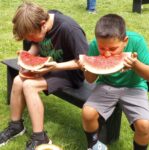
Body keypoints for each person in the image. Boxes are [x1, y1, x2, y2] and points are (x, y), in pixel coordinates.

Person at [0, 2, 88, 150]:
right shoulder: (43, 21)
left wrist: (56, 66)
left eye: (31, 36)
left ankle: (40, 137)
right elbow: (37, 44)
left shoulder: (70, 29)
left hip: (71, 73)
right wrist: (29, 56)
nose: (30, 39)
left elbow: (84, 61)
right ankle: (16, 126)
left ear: (42, 24)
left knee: (29, 85)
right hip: (50, 67)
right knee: (17, 80)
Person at [81, 14, 149, 150]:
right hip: (106, 85)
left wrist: (136, 65)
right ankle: (94, 145)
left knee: (145, 125)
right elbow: (89, 80)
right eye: (102, 49)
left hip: (134, 86)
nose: (106, 54)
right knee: (87, 113)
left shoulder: (137, 41)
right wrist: (89, 66)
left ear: (125, 41)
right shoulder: (95, 45)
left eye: (113, 49)